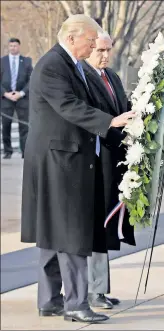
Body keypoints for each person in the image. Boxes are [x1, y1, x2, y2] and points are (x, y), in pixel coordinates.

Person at [21, 14, 135, 323]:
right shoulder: (53, 65)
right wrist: (109, 121)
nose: (92, 46)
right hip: (59, 159)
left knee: (52, 231)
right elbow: (69, 106)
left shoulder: (68, 64)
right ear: (72, 38)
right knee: (71, 232)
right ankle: (75, 303)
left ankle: (49, 300)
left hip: (59, 156)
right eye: (90, 41)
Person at [82, 31, 135, 310]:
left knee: (105, 225)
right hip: (93, 161)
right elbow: (90, 117)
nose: (105, 55)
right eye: (100, 50)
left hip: (113, 161)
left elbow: (122, 109)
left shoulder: (111, 76)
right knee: (96, 226)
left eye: (108, 50)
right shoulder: (82, 78)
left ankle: (100, 289)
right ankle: (93, 290)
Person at [1, 38, 33, 159]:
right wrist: (5, 94)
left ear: (19, 47)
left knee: (24, 126)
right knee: (6, 125)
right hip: (6, 99)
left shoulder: (26, 61)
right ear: (8, 47)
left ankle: (25, 151)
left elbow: (31, 80)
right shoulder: (2, 61)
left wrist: (21, 93)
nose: (13, 48)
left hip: (22, 98)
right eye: (11, 46)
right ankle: (7, 151)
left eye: (15, 46)